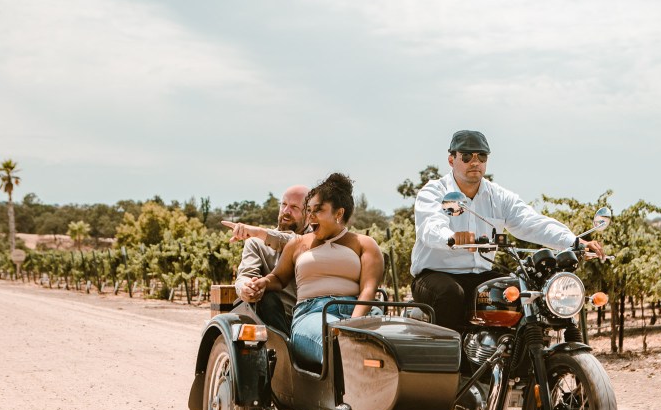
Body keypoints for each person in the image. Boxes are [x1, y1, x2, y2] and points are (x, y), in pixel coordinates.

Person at [410, 129, 606, 332]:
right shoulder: (434, 192)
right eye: (466, 156)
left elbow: (531, 222)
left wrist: (573, 242)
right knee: (450, 294)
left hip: (480, 274)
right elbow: (430, 226)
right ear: (452, 160)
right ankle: (454, 362)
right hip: (435, 275)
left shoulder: (498, 196)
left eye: (481, 156)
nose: (474, 162)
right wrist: (451, 237)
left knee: (516, 291)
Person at [227, 173, 384, 368]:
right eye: (308, 210)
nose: (311, 217)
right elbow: (278, 277)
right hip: (313, 312)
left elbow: (368, 289)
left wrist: (352, 327)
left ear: (338, 213)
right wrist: (263, 282)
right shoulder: (298, 244)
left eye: (317, 210)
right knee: (336, 344)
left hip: (358, 309)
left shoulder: (365, 244)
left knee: (386, 346)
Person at [222, 185, 308, 335]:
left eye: (294, 207)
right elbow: (245, 275)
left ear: (309, 213)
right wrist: (245, 288)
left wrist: (258, 232)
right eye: (284, 204)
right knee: (267, 298)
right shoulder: (256, 242)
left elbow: (295, 242)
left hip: (308, 317)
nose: (286, 211)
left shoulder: (315, 241)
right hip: (273, 319)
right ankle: (285, 347)